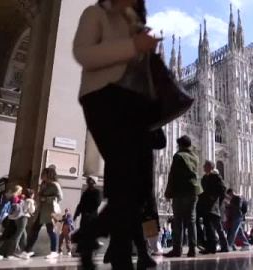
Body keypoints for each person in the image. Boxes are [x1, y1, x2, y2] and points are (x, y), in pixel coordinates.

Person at [72, 0, 162, 269]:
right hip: (102, 101)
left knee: (136, 190)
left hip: (133, 109)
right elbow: (83, 54)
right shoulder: (95, 14)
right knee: (127, 184)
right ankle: (97, 240)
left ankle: (100, 241)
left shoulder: (134, 25)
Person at [164, 136, 202, 258]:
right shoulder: (195, 157)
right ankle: (192, 250)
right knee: (191, 221)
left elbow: (172, 175)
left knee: (178, 221)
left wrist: (168, 193)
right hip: (193, 191)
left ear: (181, 145)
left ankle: (177, 249)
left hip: (180, 192)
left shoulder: (178, 156)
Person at [21, 168, 63, 259]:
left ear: (49, 174)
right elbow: (40, 195)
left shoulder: (55, 185)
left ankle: (54, 251)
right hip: (42, 211)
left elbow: (60, 197)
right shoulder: (43, 184)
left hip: (52, 211)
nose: (42, 175)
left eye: (44, 173)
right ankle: (27, 251)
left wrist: (46, 199)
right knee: (34, 230)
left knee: (52, 231)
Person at [197, 161, 228, 254]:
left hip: (212, 206)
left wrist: (216, 200)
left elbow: (223, 189)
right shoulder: (204, 178)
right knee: (212, 227)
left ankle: (212, 247)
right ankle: (218, 246)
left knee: (212, 227)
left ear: (210, 167)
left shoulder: (216, 177)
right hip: (205, 206)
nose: (203, 167)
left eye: (205, 165)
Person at [73, 177, 101, 253]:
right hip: (84, 215)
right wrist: (76, 214)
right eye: (88, 180)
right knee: (82, 231)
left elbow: (97, 203)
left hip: (92, 216)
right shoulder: (85, 192)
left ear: (94, 182)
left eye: (90, 180)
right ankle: (80, 249)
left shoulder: (97, 192)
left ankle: (94, 246)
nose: (88, 182)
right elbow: (81, 204)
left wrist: (89, 211)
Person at [0, 185, 23, 259]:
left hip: (4, 216)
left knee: (5, 234)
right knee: (5, 234)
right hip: (4, 215)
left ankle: (12, 252)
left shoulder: (9, 196)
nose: (21, 193)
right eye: (20, 191)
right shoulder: (12, 197)